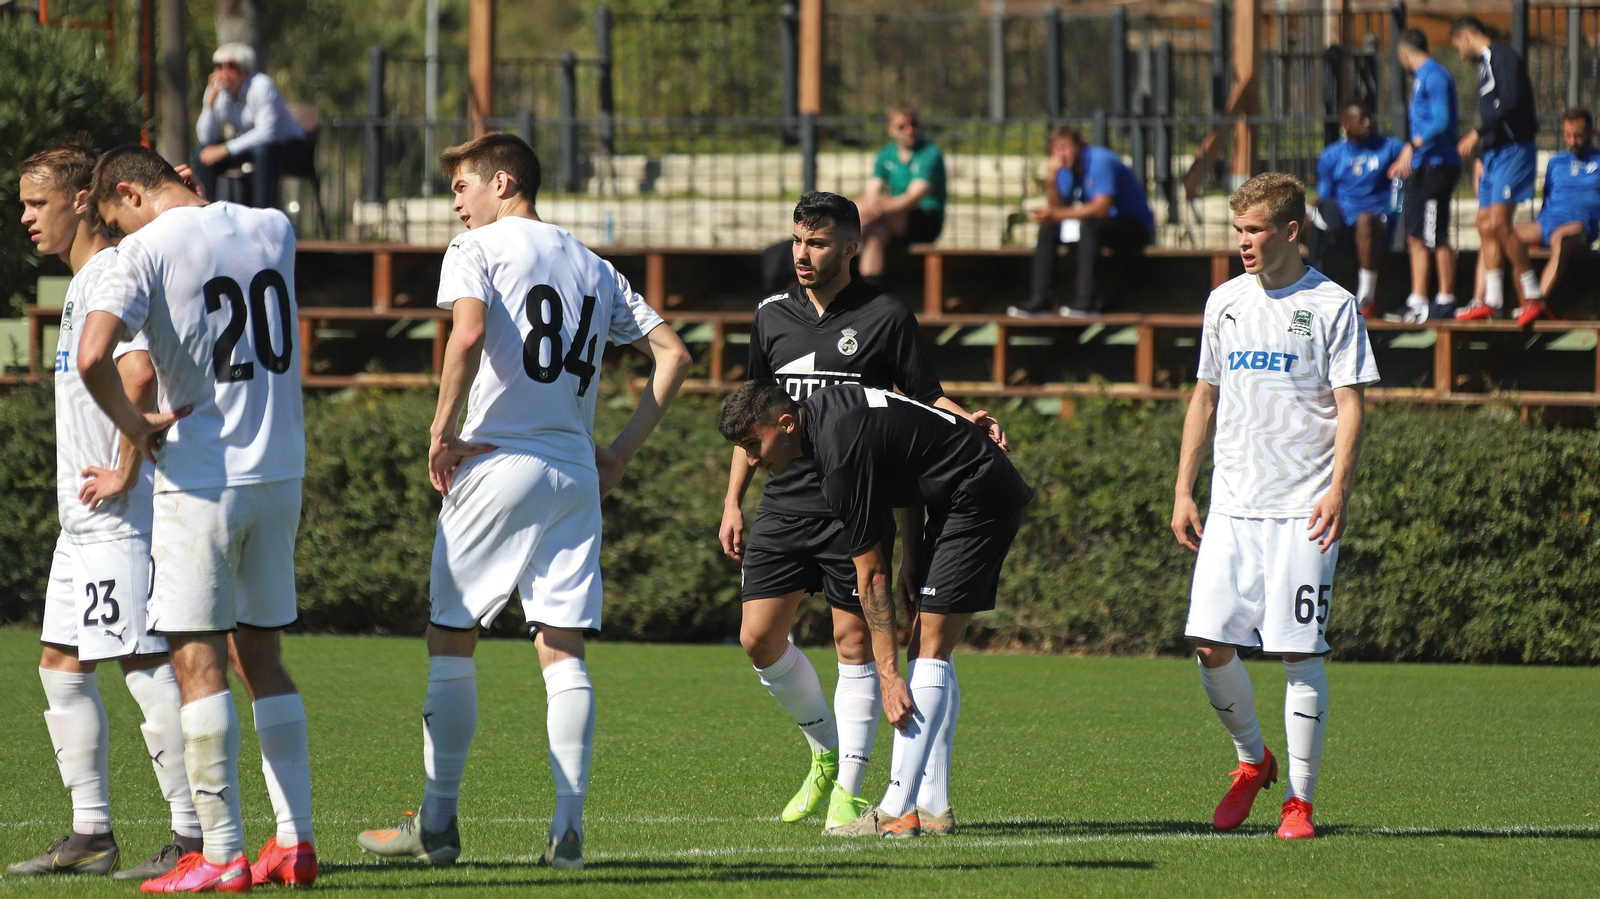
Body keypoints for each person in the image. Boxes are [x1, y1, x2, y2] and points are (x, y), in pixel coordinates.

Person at [355, 133, 692, 870]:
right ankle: (567, 831)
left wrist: (441, 428)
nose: (455, 203)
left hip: (496, 458)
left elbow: (467, 332)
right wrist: (620, 452)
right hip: (573, 471)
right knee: (562, 651)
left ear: (501, 182)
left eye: (462, 188)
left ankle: (437, 823)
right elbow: (675, 354)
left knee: (452, 636)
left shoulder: (476, 248)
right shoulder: (594, 266)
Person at [719, 191, 1006, 835]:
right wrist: (734, 499)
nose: (802, 253)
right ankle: (824, 749)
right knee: (757, 638)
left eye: (818, 243)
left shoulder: (886, 314)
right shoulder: (770, 316)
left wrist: (969, 425)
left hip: (856, 503)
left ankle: (850, 791)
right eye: (797, 239)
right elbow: (756, 412)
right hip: (785, 502)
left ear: (851, 247)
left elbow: (922, 400)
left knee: (854, 641)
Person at [81, 144, 316, 891]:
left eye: (114, 217)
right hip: (280, 474)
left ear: (127, 193)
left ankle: (220, 854)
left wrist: (136, 423)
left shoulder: (141, 252)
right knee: (265, 658)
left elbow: (95, 356)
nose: (115, 234)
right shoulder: (274, 225)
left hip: (204, 477)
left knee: (197, 661)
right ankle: (297, 841)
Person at [5, 142, 199, 883]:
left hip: (118, 518)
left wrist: (124, 465)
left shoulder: (116, 272)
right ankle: (92, 831)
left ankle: (191, 833)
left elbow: (139, 369)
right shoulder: (84, 283)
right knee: (60, 664)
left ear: (81, 199)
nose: (26, 217)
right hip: (79, 525)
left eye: (36, 202)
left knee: (145, 664)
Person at [719, 380, 1032, 838]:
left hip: (978, 495)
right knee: (927, 645)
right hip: (957, 493)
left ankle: (895, 812)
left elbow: (872, 577)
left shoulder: (837, 455)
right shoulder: (824, 412)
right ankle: (934, 807)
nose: (750, 459)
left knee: (929, 649)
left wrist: (887, 677)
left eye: (752, 443)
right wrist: (914, 554)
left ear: (786, 424)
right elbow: (904, 453)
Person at [1170, 173, 1378, 841]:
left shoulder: (1334, 305)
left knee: (1296, 652)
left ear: (1291, 231)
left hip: (1302, 511)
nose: (1243, 243)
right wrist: (1183, 489)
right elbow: (1204, 397)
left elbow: (1351, 405)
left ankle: (1299, 800)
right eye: (1238, 231)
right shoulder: (1224, 302)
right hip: (1233, 506)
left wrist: (1338, 487)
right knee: (1207, 641)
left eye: (1255, 230)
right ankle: (1251, 758)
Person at [1451, 16, 1543, 326]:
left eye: (1458, 47)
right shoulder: (1483, 66)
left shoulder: (1503, 57)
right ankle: (1492, 300)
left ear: (1465, 37)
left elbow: (1512, 101)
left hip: (1514, 151)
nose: (1460, 55)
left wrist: (1476, 134)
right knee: (1484, 224)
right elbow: (1493, 111)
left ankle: (1533, 295)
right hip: (1494, 155)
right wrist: (1483, 153)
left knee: (1501, 224)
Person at [1008, 126, 1154, 319]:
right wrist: (1051, 179)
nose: (1061, 154)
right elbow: (1057, 206)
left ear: (1079, 145)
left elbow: (1101, 208)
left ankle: (1086, 304)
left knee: (1089, 226)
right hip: (1099, 227)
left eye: (1065, 148)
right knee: (1049, 228)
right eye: (1056, 149)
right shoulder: (1065, 168)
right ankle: (1040, 301)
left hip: (1134, 227)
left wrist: (1056, 214)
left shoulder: (1101, 160)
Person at [1388, 28, 1461, 322]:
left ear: (1404, 54)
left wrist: (1411, 145)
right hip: (1421, 166)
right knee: (1415, 234)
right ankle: (1418, 299)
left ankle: (1445, 298)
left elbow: (1442, 120)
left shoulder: (1435, 75)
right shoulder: (1420, 79)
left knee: (1435, 233)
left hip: (1437, 165)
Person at [1307, 104, 1404, 312]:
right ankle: (1304, 289)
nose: (1368, 123)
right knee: (1301, 215)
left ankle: (1366, 297)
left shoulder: (1389, 147)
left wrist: (1406, 157)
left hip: (1378, 221)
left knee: (1365, 220)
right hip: (1342, 224)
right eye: (1361, 119)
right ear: (1346, 124)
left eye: (1369, 117)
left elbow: (1412, 151)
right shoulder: (1332, 155)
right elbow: (1325, 197)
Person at [192, 42, 307, 209]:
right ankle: (208, 211)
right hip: (253, 149)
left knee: (264, 150)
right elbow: (206, 137)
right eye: (219, 66)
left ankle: (261, 214)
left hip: (290, 148)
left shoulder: (261, 86)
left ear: (245, 70)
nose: (224, 73)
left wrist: (224, 149)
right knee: (201, 152)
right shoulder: (218, 91)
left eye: (231, 66)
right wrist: (209, 103)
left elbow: (267, 133)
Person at [1510, 109, 1600, 303]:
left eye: (1578, 136)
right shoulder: (1556, 161)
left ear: (1591, 132)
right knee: (1505, 234)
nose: (1572, 141)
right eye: (1568, 135)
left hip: (1578, 223)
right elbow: (1547, 197)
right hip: (1548, 221)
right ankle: (1514, 302)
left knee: (1562, 239)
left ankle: (1538, 301)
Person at [857, 106, 946, 285]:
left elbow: (910, 200)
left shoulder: (930, 154)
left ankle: (837, 235)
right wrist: (873, 208)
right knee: (876, 234)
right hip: (890, 220)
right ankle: (870, 294)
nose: (909, 130)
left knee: (872, 213)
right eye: (902, 127)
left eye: (913, 124)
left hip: (925, 219)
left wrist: (875, 211)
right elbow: (871, 191)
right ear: (890, 129)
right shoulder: (887, 154)